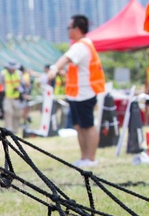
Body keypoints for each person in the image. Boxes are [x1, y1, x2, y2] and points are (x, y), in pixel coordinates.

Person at [47, 14, 105, 168]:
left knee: (88, 126)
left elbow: (65, 58)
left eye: (69, 28)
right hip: (76, 94)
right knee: (79, 127)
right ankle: (84, 158)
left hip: (85, 93)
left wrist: (54, 68)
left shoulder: (81, 45)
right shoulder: (81, 45)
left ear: (77, 29)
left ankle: (91, 159)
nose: (68, 31)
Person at [0, 61, 23, 133]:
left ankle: (15, 129)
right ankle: (9, 129)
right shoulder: (3, 74)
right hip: (7, 97)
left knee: (17, 113)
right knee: (8, 112)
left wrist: (20, 90)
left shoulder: (19, 74)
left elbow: (22, 84)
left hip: (16, 97)